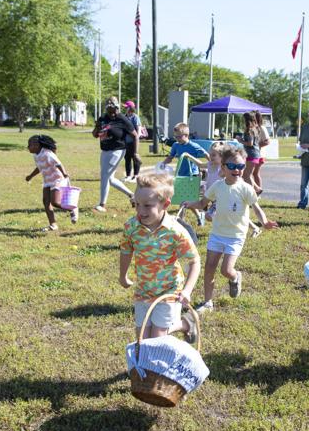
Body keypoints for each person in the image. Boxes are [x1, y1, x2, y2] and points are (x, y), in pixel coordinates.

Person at [182, 146, 278, 313]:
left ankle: (235, 277)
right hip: (217, 234)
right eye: (232, 166)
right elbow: (203, 203)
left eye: (240, 167)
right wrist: (190, 204)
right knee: (209, 267)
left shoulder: (246, 188)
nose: (237, 170)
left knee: (226, 270)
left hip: (235, 236)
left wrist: (264, 222)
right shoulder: (217, 186)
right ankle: (208, 302)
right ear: (223, 168)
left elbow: (256, 208)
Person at [119, 173, 201, 342]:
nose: (141, 211)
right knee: (142, 339)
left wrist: (187, 290)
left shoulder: (175, 231)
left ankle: (184, 325)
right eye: (137, 204)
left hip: (169, 290)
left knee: (157, 339)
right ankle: (184, 324)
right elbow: (126, 251)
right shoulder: (131, 226)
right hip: (143, 290)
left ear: (165, 204)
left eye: (147, 206)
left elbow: (194, 261)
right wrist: (122, 275)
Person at [92, 96, 137, 213]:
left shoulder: (123, 119)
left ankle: (102, 204)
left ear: (117, 108)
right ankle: (132, 196)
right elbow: (95, 134)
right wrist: (97, 129)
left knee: (104, 176)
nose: (113, 113)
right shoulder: (102, 118)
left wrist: (135, 153)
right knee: (110, 179)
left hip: (117, 150)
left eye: (115, 110)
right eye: (110, 110)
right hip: (105, 150)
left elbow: (135, 135)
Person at [25, 134, 77, 231]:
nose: (28, 147)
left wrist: (64, 173)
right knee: (46, 202)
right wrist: (30, 176)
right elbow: (39, 168)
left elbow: (58, 163)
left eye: (29, 144)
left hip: (58, 179)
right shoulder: (36, 156)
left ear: (37, 145)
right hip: (47, 180)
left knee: (55, 202)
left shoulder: (48, 153)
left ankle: (72, 208)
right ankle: (53, 224)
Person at [239, 111, 265, 194]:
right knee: (246, 174)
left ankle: (252, 193)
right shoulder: (256, 129)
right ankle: (257, 189)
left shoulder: (249, 130)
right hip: (255, 154)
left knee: (246, 175)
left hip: (251, 154)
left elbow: (250, 143)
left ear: (247, 120)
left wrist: (240, 140)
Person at [123, 100, 142, 183]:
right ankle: (128, 176)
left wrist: (136, 139)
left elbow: (138, 130)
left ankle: (136, 176)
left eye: (126, 107)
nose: (125, 109)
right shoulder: (124, 117)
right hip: (126, 142)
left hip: (134, 141)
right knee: (127, 158)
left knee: (135, 157)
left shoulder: (135, 117)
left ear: (130, 108)